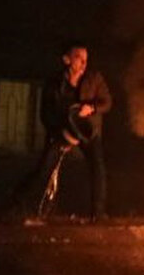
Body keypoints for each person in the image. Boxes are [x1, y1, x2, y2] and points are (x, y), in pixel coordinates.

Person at [12, 41, 112, 222]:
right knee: (43, 170)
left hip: (88, 132)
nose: (83, 63)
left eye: (85, 59)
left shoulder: (94, 78)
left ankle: (98, 213)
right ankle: (16, 206)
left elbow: (107, 102)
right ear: (66, 60)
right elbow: (45, 113)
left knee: (97, 169)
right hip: (62, 132)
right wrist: (61, 135)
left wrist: (92, 107)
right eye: (78, 58)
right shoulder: (55, 83)